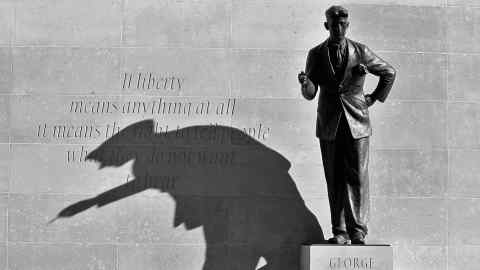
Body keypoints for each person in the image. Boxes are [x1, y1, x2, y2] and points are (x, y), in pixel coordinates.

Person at [297, 5, 396, 245]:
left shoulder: (360, 51)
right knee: (334, 178)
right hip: (330, 124)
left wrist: (372, 98)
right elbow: (311, 94)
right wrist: (305, 83)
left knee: (358, 178)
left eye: (343, 24)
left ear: (347, 25)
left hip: (357, 123)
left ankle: (358, 231)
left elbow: (389, 73)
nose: (339, 28)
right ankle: (339, 232)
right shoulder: (316, 54)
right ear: (326, 26)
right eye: (334, 24)